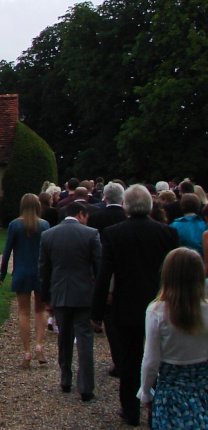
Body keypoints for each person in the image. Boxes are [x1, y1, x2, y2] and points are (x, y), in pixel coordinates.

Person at [92, 184, 180, 426]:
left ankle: (131, 410)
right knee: (160, 357)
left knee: (129, 359)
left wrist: (97, 311)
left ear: (126, 206)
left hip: (127, 304)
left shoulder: (114, 234)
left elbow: (104, 274)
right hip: (161, 304)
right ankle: (156, 408)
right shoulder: (167, 233)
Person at [138, 248, 208, 428]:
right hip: (203, 386)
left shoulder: (157, 311)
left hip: (171, 392)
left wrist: (145, 392)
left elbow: (151, 361)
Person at [40, 201, 101, 401]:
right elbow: (98, 267)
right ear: (81, 214)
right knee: (85, 340)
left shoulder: (49, 235)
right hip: (84, 294)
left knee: (64, 338)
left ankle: (65, 379)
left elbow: (44, 269)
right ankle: (86, 387)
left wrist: (46, 296)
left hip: (60, 293)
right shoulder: (91, 234)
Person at [0, 193, 51, 367]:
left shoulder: (14, 225)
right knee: (40, 310)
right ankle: (39, 345)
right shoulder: (44, 225)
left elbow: (7, 251)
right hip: (40, 272)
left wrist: (2, 273)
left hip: (21, 272)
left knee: (23, 312)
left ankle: (27, 351)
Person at [87, 181, 128, 374]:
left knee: (111, 321)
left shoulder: (96, 219)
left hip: (104, 272)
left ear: (104, 197)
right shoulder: (127, 217)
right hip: (127, 274)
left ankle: (118, 360)